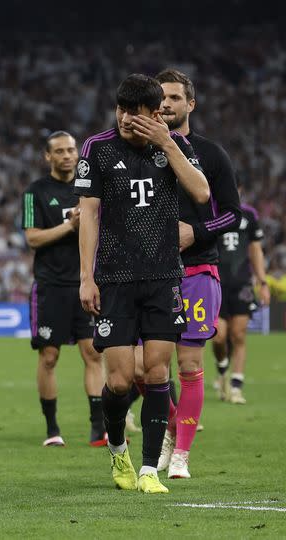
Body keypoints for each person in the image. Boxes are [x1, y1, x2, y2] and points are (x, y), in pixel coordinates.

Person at [75, 73, 209, 494]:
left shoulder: (173, 147)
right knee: (117, 381)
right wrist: (86, 277)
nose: (128, 120)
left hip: (164, 275)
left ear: (155, 114)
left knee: (156, 373)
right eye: (122, 111)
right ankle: (118, 447)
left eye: (137, 113)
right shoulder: (97, 149)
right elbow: (89, 215)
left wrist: (168, 143)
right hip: (114, 278)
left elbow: (202, 195)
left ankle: (150, 470)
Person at [146, 68, 242, 479]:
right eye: (160, 97)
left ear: (190, 104)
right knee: (138, 368)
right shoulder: (136, 152)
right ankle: (172, 423)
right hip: (148, 272)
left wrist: (196, 231)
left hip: (197, 269)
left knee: (188, 366)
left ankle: (181, 454)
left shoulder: (211, 153)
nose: (165, 103)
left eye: (173, 97)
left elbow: (233, 215)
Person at [21, 131, 104, 447]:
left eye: (72, 150)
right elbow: (32, 239)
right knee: (50, 357)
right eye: (60, 151)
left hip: (87, 284)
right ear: (48, 156)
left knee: (92, 353)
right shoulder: (35, 193)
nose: (68, 155)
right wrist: (70, 225)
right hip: (50, 286)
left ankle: (98, 428)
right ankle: (52, 429)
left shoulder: (91, 188)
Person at [212, 181, 269, 404]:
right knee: (218, 337)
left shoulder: (249, 215)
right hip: (216, 283)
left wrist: (262, 282)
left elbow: (255, 249)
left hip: (242, 284)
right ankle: (222, 368)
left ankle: (236, 385)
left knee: (239, 334)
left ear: (240, 191)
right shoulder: (210, 213)